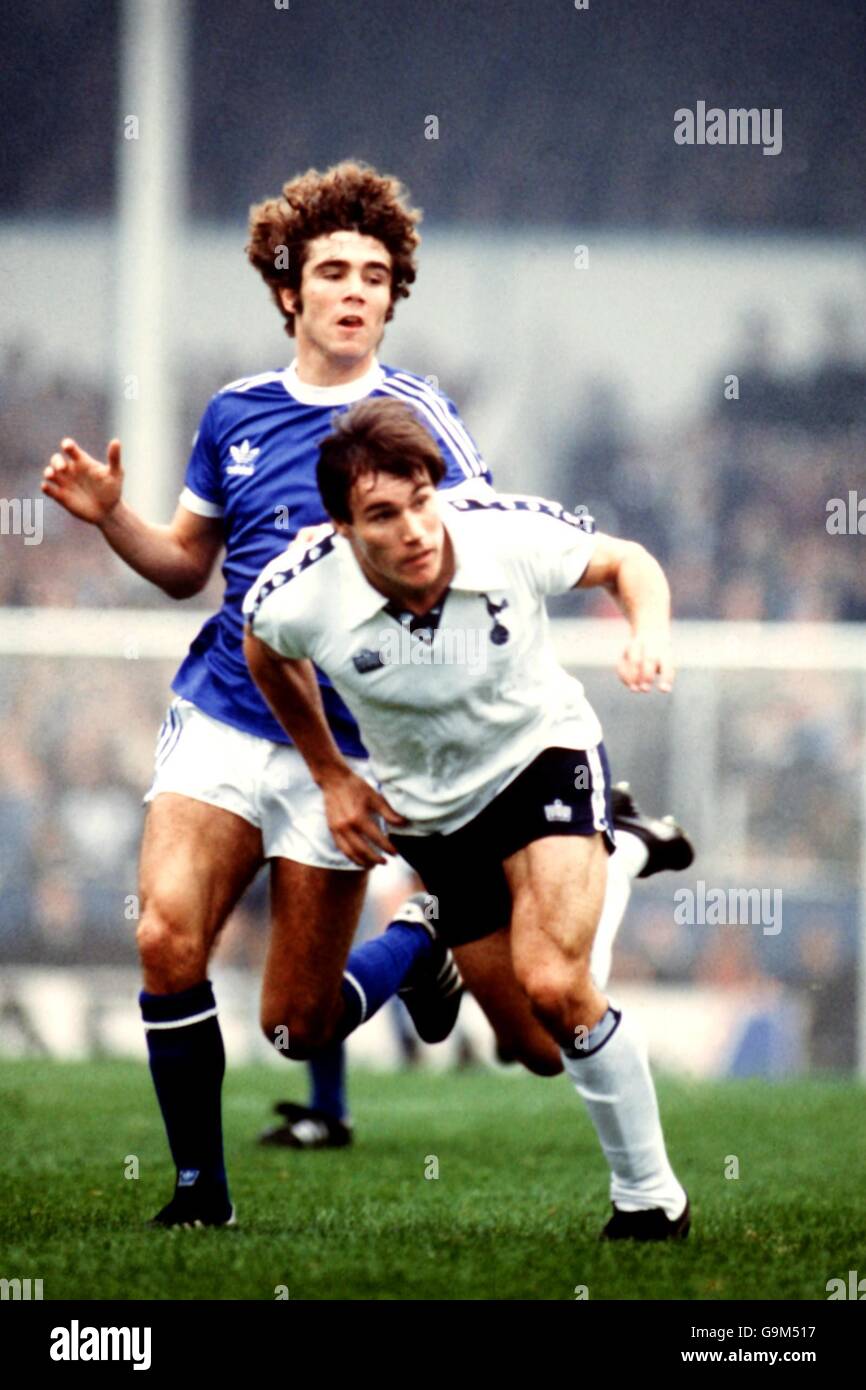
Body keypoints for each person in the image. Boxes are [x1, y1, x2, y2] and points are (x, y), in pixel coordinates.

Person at [41, 161, 689, 1224]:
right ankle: (200, 1192)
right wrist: (113, 517)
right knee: (163, 935)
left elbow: (471, 568)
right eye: (330, 270)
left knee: (305, 1028)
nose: (353, 290)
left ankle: (447, 917)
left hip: (360, 750)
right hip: (229, 713)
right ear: (286, 289)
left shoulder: (417, 417)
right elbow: (188, 570)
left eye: (375, 275)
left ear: (393, 297)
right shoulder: (233, 413)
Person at [244, 398, 690, 1239]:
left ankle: (650, 1200)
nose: (416, 528)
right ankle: (622, 849)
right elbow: (262, 651)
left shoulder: (503, 533)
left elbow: (631, 562)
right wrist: (331, 774)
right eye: (383, 513)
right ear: (341, 527)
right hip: (435, 820)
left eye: (422, 499)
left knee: (558, 985)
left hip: (542, 762)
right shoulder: (300, 595)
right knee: (536, 1049)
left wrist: (650, 633)